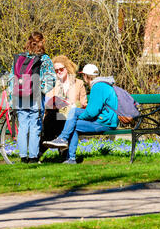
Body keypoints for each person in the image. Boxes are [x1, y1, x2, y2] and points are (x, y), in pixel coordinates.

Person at [43, 63, 119, 164]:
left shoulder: (98, 87)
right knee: (73, 122)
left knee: (73, 114)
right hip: (107, 120)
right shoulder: (104, 85)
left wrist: (78, 117)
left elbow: (92, 112)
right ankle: (69, 155)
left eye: (83, 75)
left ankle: (65, 145)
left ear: (86, 76)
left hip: (104, 123)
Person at [9, 32, 56, 163]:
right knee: (35, 127)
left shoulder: (20, 57)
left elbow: (11, 78)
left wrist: (11, 95)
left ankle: (23, 157)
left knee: (23, 127)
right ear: (41, 42)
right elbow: (51, 78)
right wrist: (43, 89)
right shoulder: (44, 59)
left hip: (20, 96)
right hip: (35, 96)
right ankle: (33, 157)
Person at [40, 55, 87, 157]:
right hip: (55, 114)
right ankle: (61, 149)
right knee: (53, 118)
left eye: (61, 69)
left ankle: (61, 149)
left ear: (67, 68)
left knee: (67, 117)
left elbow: (84, 103)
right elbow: (48, 102)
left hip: (72, 115)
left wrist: (76, 104)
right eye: (56, 70)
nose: (59, 72)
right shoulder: (52, 84)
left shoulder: (78, 83)